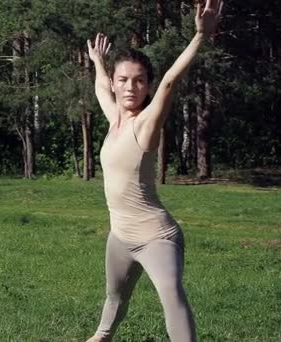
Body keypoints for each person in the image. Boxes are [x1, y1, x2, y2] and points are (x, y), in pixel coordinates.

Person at [85, 1, 223, 341]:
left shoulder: (145, 125)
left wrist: (200, 36)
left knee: (172, 299)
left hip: (156, 238)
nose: (130, 87)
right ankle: (101, 338)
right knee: (115, 296)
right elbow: (101, 87)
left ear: (147, 86)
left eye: (139, 81)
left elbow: (171, 82)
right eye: (124, 80)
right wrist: (99, 64)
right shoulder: (114, 119)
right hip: (120, 237)